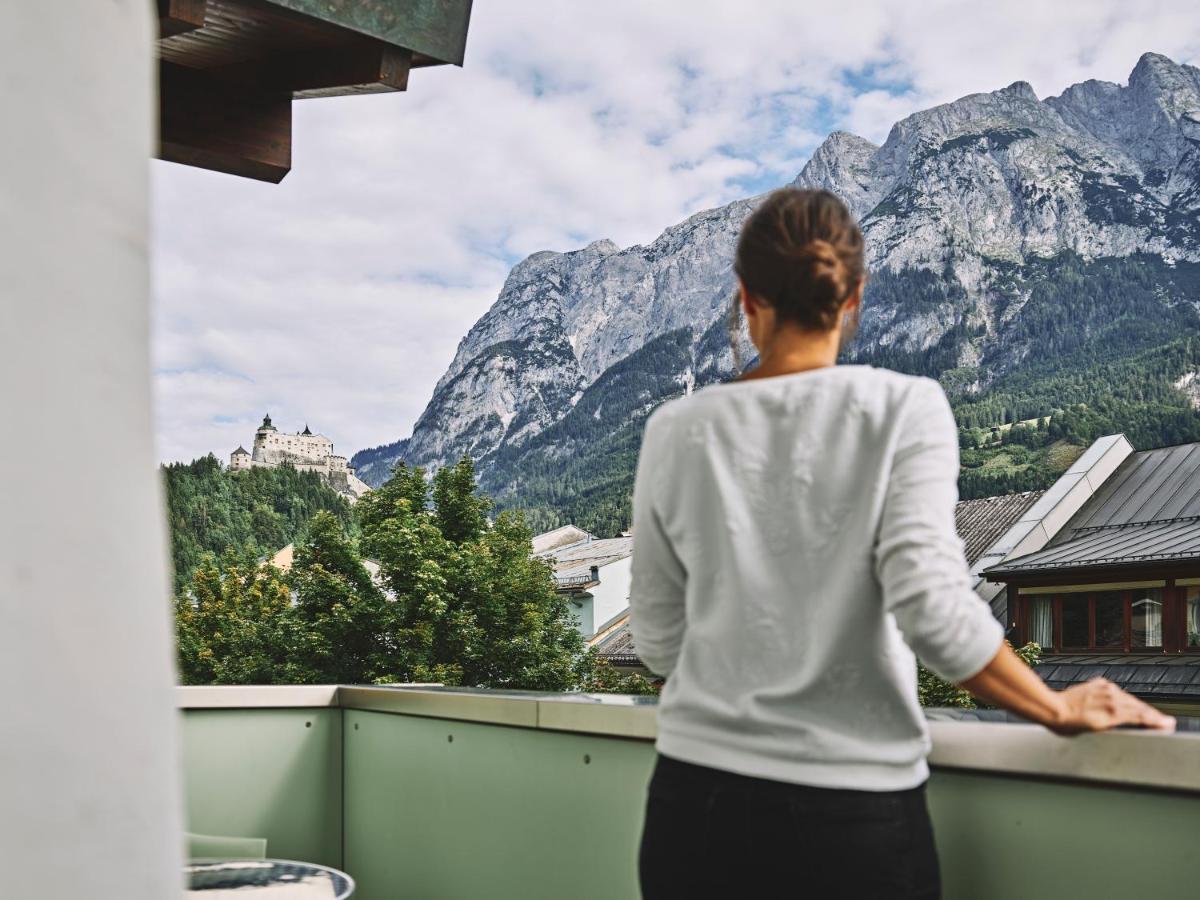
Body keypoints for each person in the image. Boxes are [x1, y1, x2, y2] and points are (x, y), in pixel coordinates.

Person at [629, 188, 1174, 900]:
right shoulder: (901, 408)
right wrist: (1056, 707)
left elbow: (658, 640)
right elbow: (933, 607)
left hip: (696, 808)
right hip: (848, 816)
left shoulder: (676, 428)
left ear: (744, 297)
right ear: (853, 295)